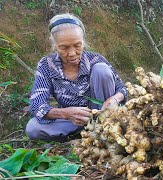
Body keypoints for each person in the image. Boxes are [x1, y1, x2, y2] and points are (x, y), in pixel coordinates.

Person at [25, 13, 128, 141]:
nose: (72, 53)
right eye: (64, 48)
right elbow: (36, 105)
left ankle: (106, 126)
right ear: (55, 45)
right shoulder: (47, 65)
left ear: (83, 42)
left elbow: (122, 89)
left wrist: (114, 99)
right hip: (72, 121)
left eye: (77, 45)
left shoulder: (95, 59)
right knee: (33, 128)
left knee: (102, 69)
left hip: (102, 115)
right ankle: (82, 134)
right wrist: (66, 113)